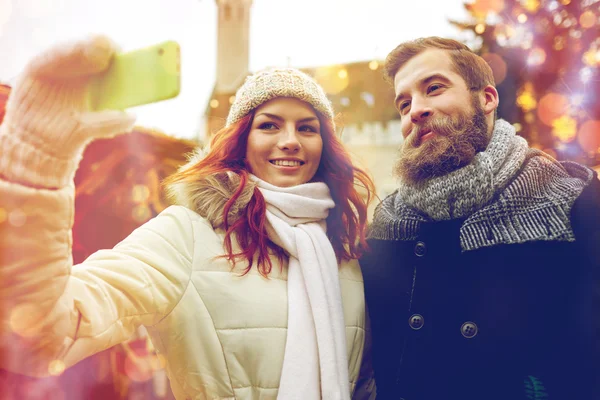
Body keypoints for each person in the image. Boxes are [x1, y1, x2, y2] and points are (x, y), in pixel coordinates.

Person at [0, 36, 377, 400]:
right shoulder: (187, 234)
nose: (290, 140)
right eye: (269, 125)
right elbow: (43, 335)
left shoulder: (346, 251)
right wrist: (35, 164)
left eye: (307, 127)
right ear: (240, 141)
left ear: (324, 144)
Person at [359, 36, 600, 399]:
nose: (416, 111)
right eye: (404, 103)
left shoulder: (574, 202)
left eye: (434, 88)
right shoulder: (386, 226)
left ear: (487, 98)